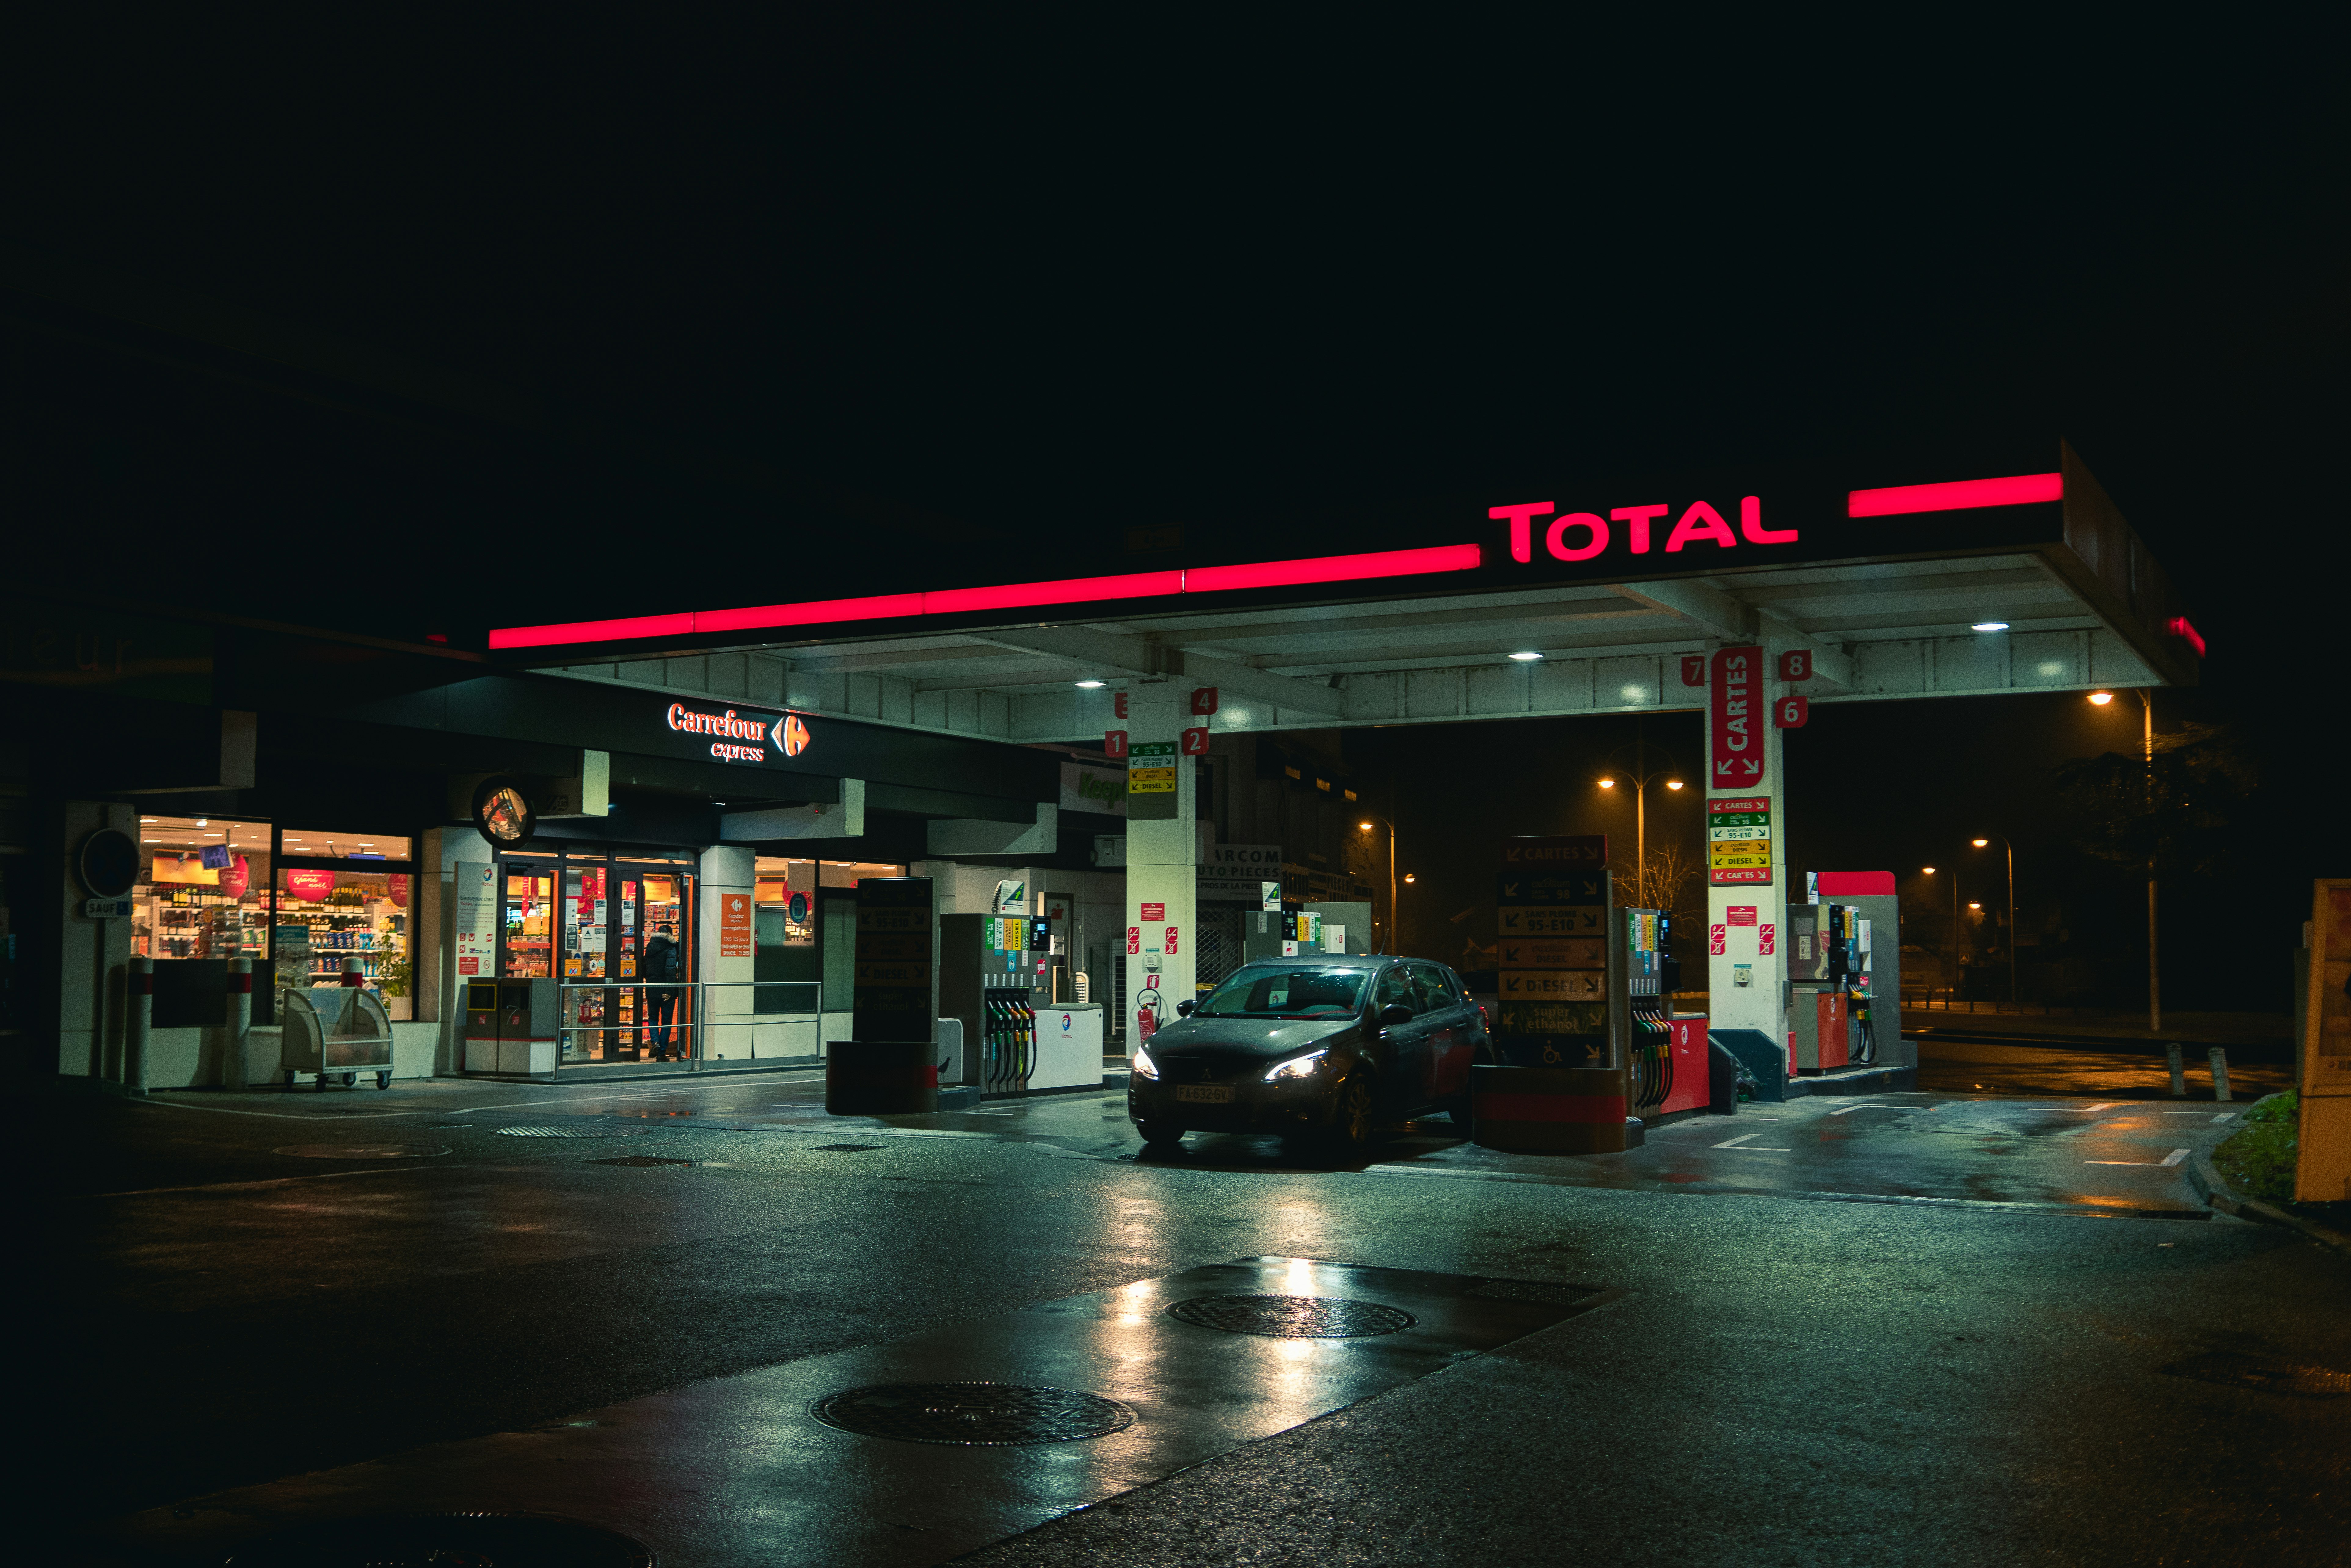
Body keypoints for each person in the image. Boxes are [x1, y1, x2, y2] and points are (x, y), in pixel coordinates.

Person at [644, 924, 683, 1059]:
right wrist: (670, 991)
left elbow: (645, 969)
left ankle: (655, 1042)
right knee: (666, 1021)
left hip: (652, 989)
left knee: (653, 1018)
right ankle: (662, 1053)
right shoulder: (671, 949)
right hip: (666, 991)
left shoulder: (650, 947)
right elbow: (670, 970)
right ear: (671, 935)